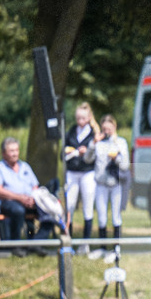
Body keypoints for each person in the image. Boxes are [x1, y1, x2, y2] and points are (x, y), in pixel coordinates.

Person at [0, 137, 53, 256]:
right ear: (4, 153)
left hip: (30, 200)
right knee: (18, 211)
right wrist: (20, 198)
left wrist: (32, 199)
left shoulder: (25, 166)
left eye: (16, 150)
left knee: (50, 210)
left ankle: (36, 243)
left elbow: (35, 186)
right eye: (11, 151)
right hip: (9, 201)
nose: (15, 154)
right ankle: (15, 245)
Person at [88, 114, 130, 259]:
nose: (107, 131)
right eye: (104, 128)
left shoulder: (121, 142)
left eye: (109, 128)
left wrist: (117, 158)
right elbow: (87, 158)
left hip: (116, 183)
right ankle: (103, 248)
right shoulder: (98, 143)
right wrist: (93, 143)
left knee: (116, 216)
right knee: (101, 216)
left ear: (114, 127)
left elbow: (125, 165)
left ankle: (116, 249)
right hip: (101, 184)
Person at [63, 101, 100, 253]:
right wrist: (68, 152)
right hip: (72, 171)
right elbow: (63, 149)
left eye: (83, 118)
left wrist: (88, 151)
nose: (80, 121)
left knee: (87, 206)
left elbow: (98, 154)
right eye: (78, 118)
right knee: (69, 205)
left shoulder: (93, 133)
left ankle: (85, 243)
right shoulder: (72, 130)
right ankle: (68, 240)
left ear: (89, 117)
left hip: (87, 171)